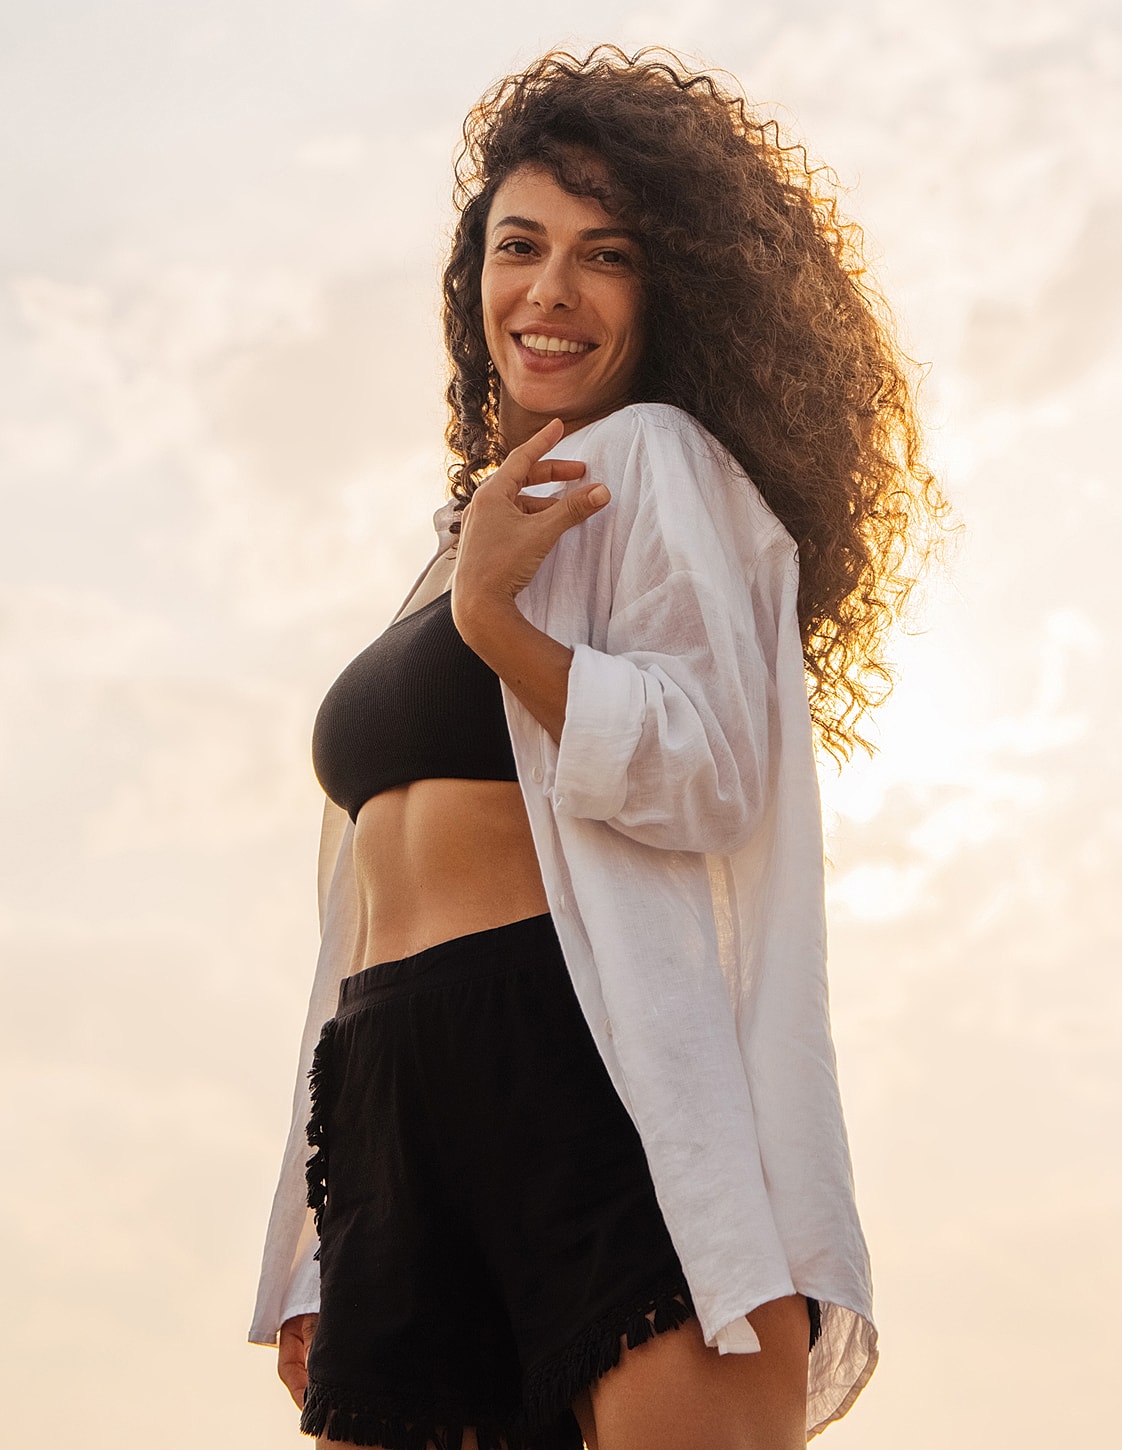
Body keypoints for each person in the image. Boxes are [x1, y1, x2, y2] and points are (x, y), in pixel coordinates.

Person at [249, 46, 945, 1450]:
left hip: (582, 1072)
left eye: (603, 254)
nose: (550, 289)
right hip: (391, 1096)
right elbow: (357, 922)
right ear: (476, 280)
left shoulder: (659, 464)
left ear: (664, 287)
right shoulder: (461, 537)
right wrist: (321, 1236)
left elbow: (709, 768)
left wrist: (499, 619)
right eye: (521, 247)